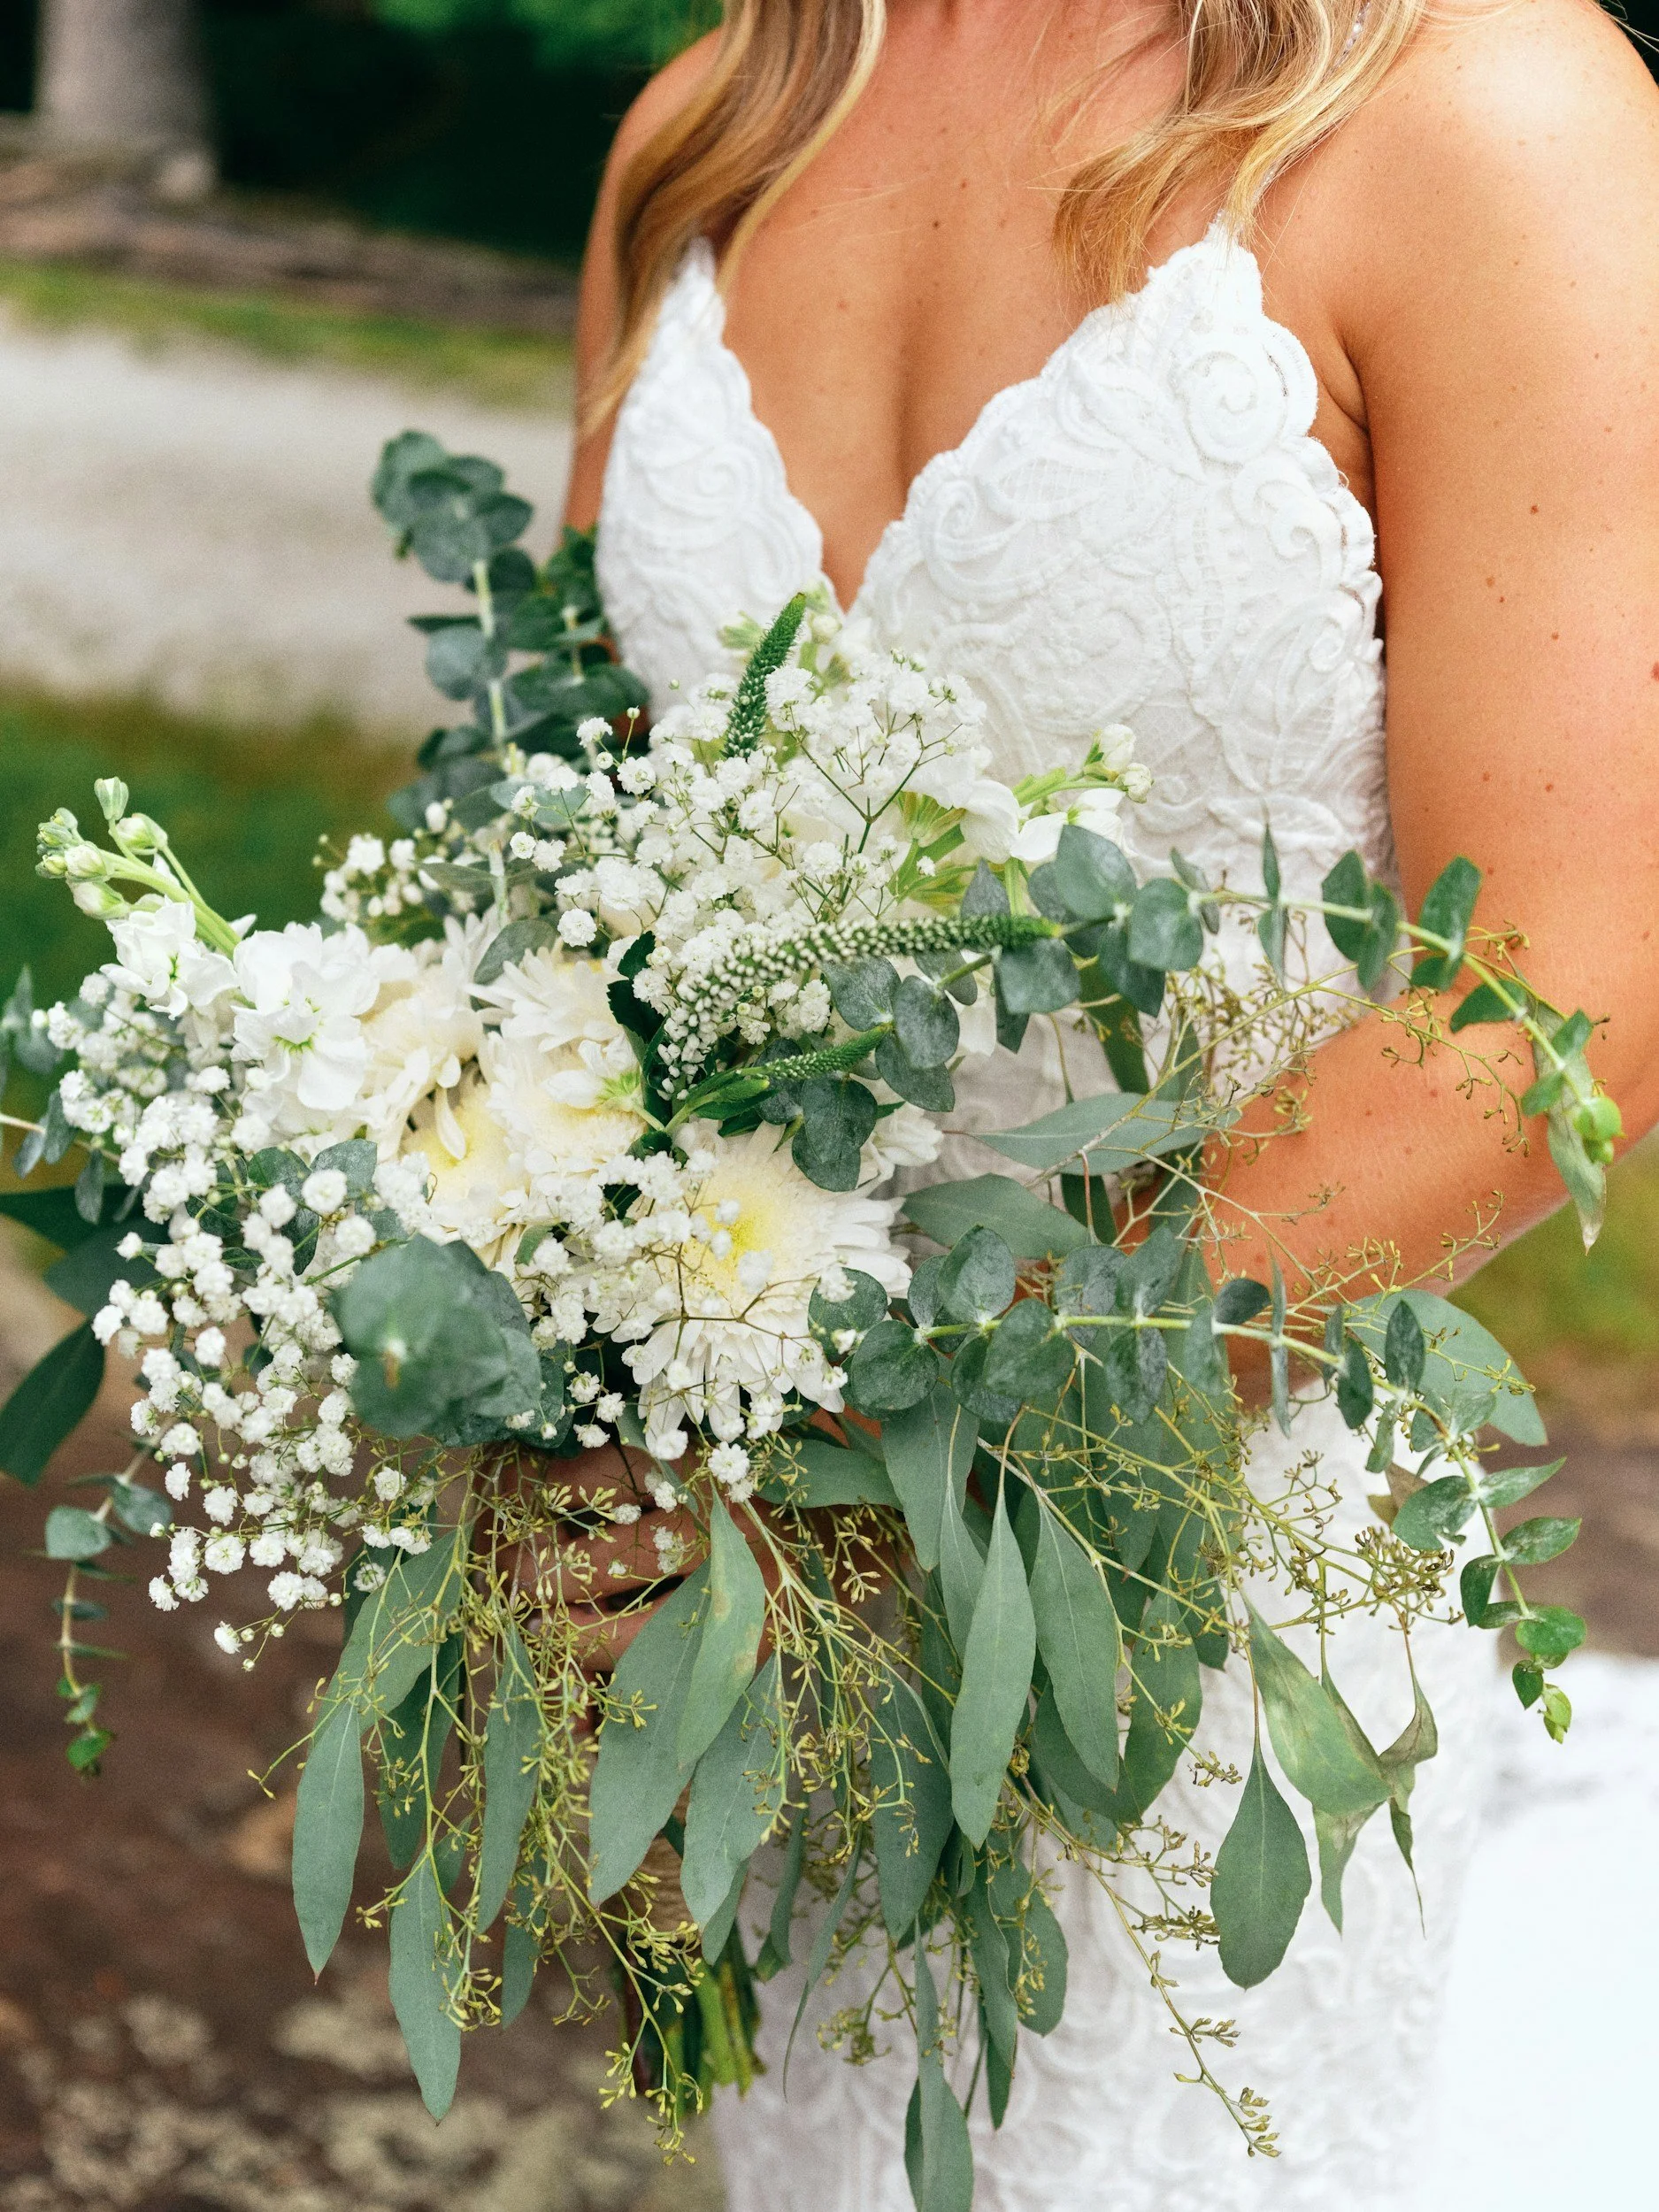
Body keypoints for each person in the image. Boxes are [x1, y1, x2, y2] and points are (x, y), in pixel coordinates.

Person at [550, 3, 1659, 2204]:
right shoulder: (714, 120)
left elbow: (1570, 977)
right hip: (740, 1604)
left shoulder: (1482, 107)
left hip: (1205, 1603)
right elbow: (576, 846)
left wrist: (909, 1469)